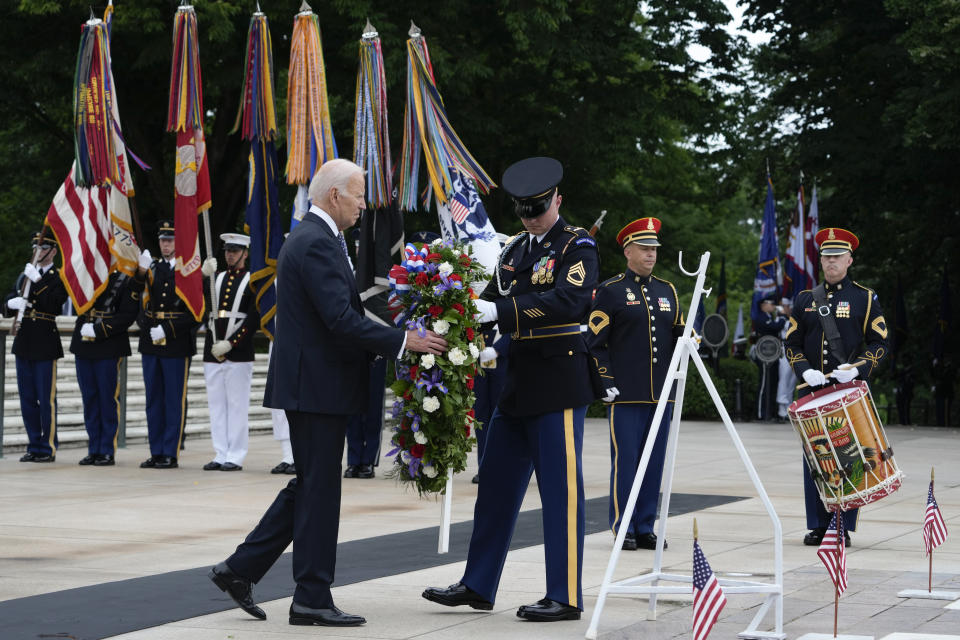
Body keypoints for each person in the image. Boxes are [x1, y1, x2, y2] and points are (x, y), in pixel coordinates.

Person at [208, 158, 447, 627]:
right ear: (334, 195)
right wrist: (404, 341)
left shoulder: (321, 238)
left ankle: (239, 569)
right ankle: (311, 597)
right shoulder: (316, 241)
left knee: (312, 486)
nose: (364, 204)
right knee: (320, 491)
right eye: (358, 195)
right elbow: (340, 319)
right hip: (315, 387)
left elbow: (340, 314)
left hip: (316, 384)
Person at [422, 156, 601, 622]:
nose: (530, 218)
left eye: (538, 209)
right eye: (523, 211)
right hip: (516, 379)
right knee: (496, 488)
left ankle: (564, 595)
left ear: (557, 200)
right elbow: (495, 305)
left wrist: (499, 315)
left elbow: (568, 301)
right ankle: (478, 583)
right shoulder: (513, 251)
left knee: (560, 493)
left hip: (558, 383)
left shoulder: (576, 246)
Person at [586, 217, 684, 552]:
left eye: (654, 248)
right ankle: (623, 525)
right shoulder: (610, 291)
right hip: (626, 394)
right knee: (626, 462)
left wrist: (690, 339)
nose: (651, 254)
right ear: (628, 251)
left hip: (661, 395)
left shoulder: (668, 290)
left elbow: (678, 332)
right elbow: (594, 342)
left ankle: (645, 526)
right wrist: (605, 381)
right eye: (644, 248)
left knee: (654, 463)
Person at [785, 227, 887, 546]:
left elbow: (880, 343)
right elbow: (791, 342)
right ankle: (818, 523)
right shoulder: (804, 299)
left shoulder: (865, 298)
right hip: (812, 390)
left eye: (837, 257)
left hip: (847, 391)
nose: (830, 262)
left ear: (849, 260)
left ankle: (840, 525)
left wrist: (856, 369)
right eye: (826, 257)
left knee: (847, 456)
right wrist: (805, 370)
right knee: (816, 457)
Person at [71, 253, 151, 466]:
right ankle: (93, 447)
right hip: (84, 341)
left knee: (106, 398)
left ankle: (106, 449)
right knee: (89, 398)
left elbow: (127, 314)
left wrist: (100, 329)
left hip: (108, 343)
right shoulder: (88, 274)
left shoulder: (125, 277)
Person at [136, 220, 202, 469]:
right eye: (163, 240)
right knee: (153, 399)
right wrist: (147, 326)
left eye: (170, 240)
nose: (165, 245)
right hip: (151, 340)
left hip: (175, 342)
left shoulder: (188, 271)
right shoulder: (151, 269)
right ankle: (156, 451)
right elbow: (137, 299)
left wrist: (167, 328)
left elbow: (196, 312)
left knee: (173, 399)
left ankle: (169, 452)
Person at [3, 232, 67, 462]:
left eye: (43, 248)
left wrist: (37, 282)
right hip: (24, 341)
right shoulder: (25, 275)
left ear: (53, 251)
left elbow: (54, 304)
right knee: (27, 398)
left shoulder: (59, 277)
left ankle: (48, 446)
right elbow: (8, 303)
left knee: (45, 398)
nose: (38, 252)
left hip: (45, 341)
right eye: (36, 248)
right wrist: (11, 303)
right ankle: (34, 444)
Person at [200, 233, 259, 472]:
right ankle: (220, 452)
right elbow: (201, 305)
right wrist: (202, 277)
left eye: (235, 251)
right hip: (212, 349)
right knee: (216, 405)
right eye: (227, 250)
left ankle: (235, 454)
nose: (230, 255)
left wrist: (232, 343)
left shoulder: (252, 280)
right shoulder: (217, 277)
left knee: (236, 406)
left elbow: (253, 318)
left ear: (245, 253)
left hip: (239, 350)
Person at [343, 358, 387, 479]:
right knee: (352, 409)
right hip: (353, 350)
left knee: (374, 405)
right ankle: (354, 460)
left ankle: (369, 460)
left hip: (376, 350)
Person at [753, 293, 786, 421]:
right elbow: (775, 327)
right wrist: (782, 316)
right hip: (764, 356)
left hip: (772, 355)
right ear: (763, 305)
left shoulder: (768, 317)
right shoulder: (761, 317)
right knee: (764, 385)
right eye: (771, 304)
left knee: (772, 384)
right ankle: (761, 413)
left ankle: (770, 412)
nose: (773, 306)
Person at [775, 297, 796, 422]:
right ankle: (781, 408)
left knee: (792, 380)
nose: (788, 309)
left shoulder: (795, 319)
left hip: (796, 351)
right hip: (784, 349)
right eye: (786, 307)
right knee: (784, 378)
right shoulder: (781, 319)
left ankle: (788, 406)